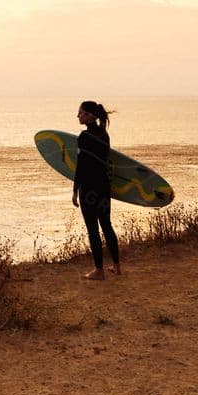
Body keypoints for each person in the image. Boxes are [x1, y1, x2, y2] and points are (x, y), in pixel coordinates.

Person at [72, 100, 120, 281]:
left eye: (81, 113)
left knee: (93, 229)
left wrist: (75, 190)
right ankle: (117, 266)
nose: (78, 116)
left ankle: (99, 271)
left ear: (90, 116)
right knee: (107, 225)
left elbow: (81, 166)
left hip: (89, 189)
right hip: (104, 187)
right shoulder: (104, 135)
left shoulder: (84, 137)